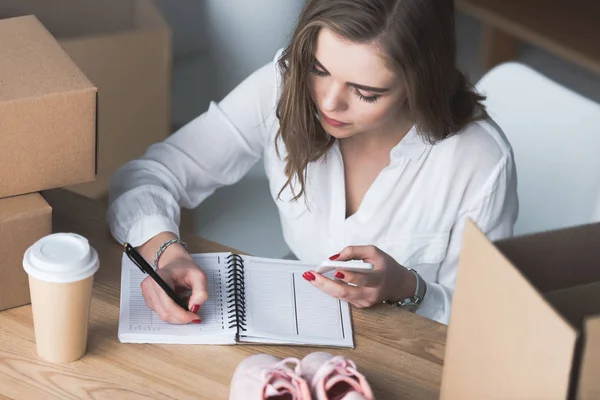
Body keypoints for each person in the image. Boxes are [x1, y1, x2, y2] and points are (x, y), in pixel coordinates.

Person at [106, 0, 518, 326]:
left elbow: (480, 325)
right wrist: (165, 252)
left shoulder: (478, 163)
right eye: (319, 69)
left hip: (406, 355)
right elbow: (148, 177)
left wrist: (408, 288)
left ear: (419, 82)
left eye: (366, 92)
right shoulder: (283, 86)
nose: (328, 102)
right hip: (295, 329)